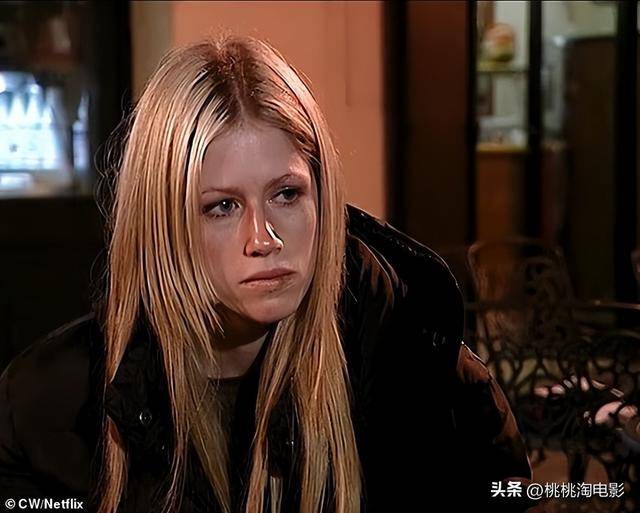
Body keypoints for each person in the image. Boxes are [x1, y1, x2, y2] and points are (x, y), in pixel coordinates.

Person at [0, 36, 532, 513]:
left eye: (286, 194)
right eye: (222, 206)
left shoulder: (420, 368)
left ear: (323, 198)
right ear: (162, 224)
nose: (263, 238)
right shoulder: (47, 409)